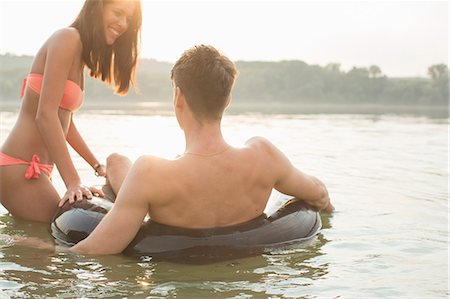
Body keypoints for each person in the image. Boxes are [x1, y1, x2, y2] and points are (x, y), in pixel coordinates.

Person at [72, 45, 334, 255]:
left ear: (178, 97)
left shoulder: (151, 174)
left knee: (118, 163)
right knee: (117, 162)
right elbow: (319, 195)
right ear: (228, 99)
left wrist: (43, 249)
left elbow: (95, 250)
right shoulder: (263, 155)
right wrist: (327, 211)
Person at [0, 0, 142, 222]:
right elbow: (45, 116)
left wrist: (96, 165)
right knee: (57, 242)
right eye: (118, 13)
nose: (123, 24)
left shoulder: (79, 52)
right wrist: (73, 182)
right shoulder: (67, 38)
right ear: (97, 7)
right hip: (19, 168)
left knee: (46, 244)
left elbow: (65, 123)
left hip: (38, 170)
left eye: (129, 19)